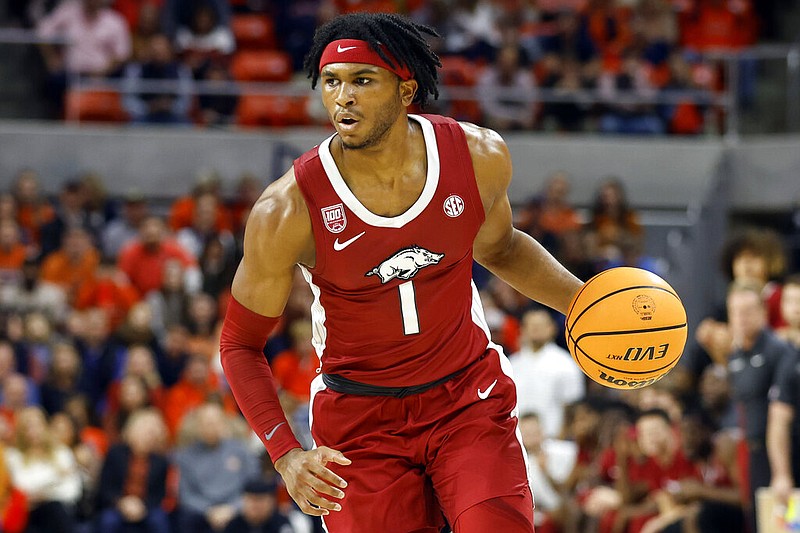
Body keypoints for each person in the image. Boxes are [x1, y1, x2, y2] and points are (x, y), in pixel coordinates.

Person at [219, 12, 583, 533]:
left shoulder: (478, 156)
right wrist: (285, 454)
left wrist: (584, 303)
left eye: (362, 81)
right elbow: (239, 343)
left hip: (466, 399)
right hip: (359, 423)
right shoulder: (286, 210)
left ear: (406, 90)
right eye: (332, 83)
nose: (343, 97)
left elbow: (500, 249)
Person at [222, 477, 295, 533]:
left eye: (260, 500)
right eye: (251, 500)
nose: (255, 506)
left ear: (271, 502)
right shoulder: (234, 525)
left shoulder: (281, 524)